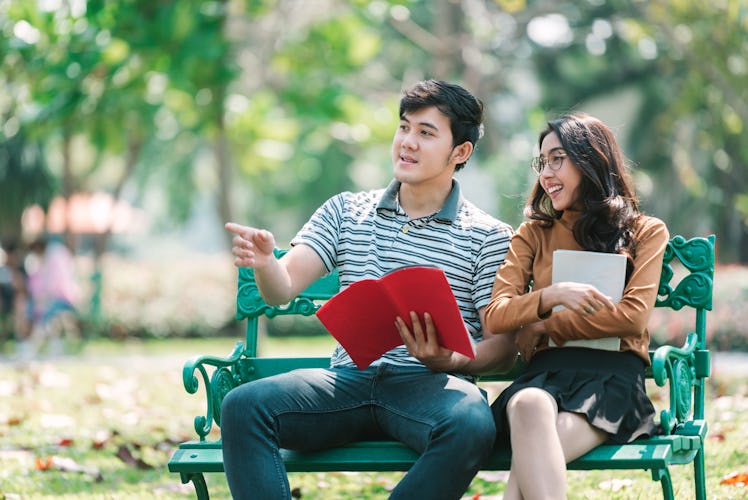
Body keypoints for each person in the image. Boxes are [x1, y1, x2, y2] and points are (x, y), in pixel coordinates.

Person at [222, 79, 517, 500]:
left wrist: (450, 358)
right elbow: (281, 289)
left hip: (429, 389)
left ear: (460, 152)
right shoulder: (346, 210)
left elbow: (502, 347)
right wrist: (267, 263)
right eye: (404, 127)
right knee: (243, 405)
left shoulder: (489, 237)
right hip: (347, 382)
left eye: (426, 133)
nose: (407, 143)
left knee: (472, 421)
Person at [483, 113, 669, 499]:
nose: (546, 174)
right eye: (542, 162)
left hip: (611, 382)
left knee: (526, 473)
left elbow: (632, 319)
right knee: (530, 404)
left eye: (558, 159)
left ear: (591, 159)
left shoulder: (645, 231)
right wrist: (550, 296)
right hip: (545, 377)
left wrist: (545, 326)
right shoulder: (533, 233)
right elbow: (497, 314)